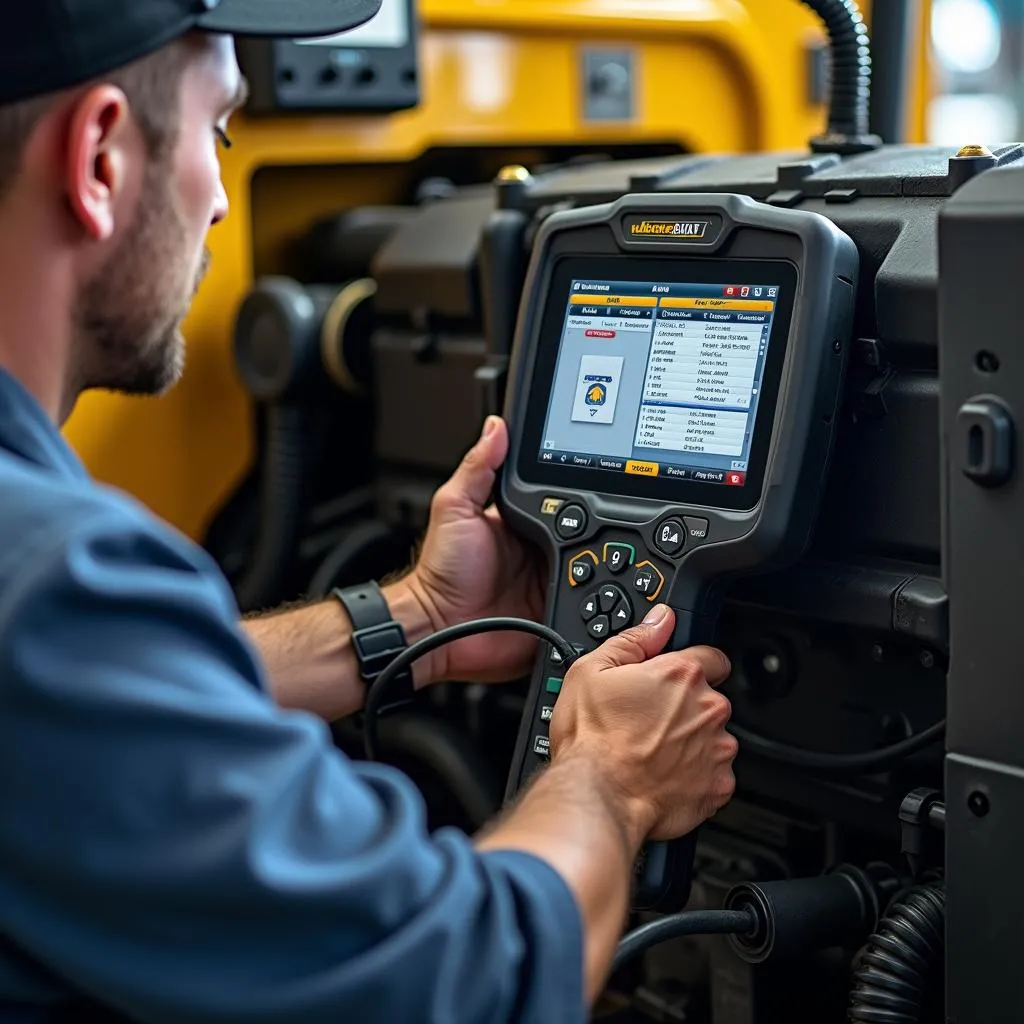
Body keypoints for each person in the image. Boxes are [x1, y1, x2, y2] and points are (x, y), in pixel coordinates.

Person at [0, 2, 739, 1021]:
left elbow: (94, 709)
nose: (219, 200)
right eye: (220, 132)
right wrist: (613, 778)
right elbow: (465, 981)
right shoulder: (51, 579)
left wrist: (420, 616)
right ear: (98, 158)